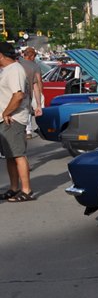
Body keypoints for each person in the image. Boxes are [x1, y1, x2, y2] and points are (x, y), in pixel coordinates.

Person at [0, 42, 34, 201]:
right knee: (10, 156)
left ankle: (26, 190)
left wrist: (6, 112)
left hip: (13, 119)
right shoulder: (7, 70)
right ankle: (14, 188)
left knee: (18, 154)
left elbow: (18, 95)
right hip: (6, 120)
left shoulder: (15, 70)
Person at [19, 47, 44, 139]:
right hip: (27, 94)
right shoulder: (35, 66)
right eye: (35, 56)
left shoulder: (17, 63)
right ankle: (28, 130)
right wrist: (40, 94)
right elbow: (38, 81)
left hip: (15, 93)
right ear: (32, 55)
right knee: (28, 111)